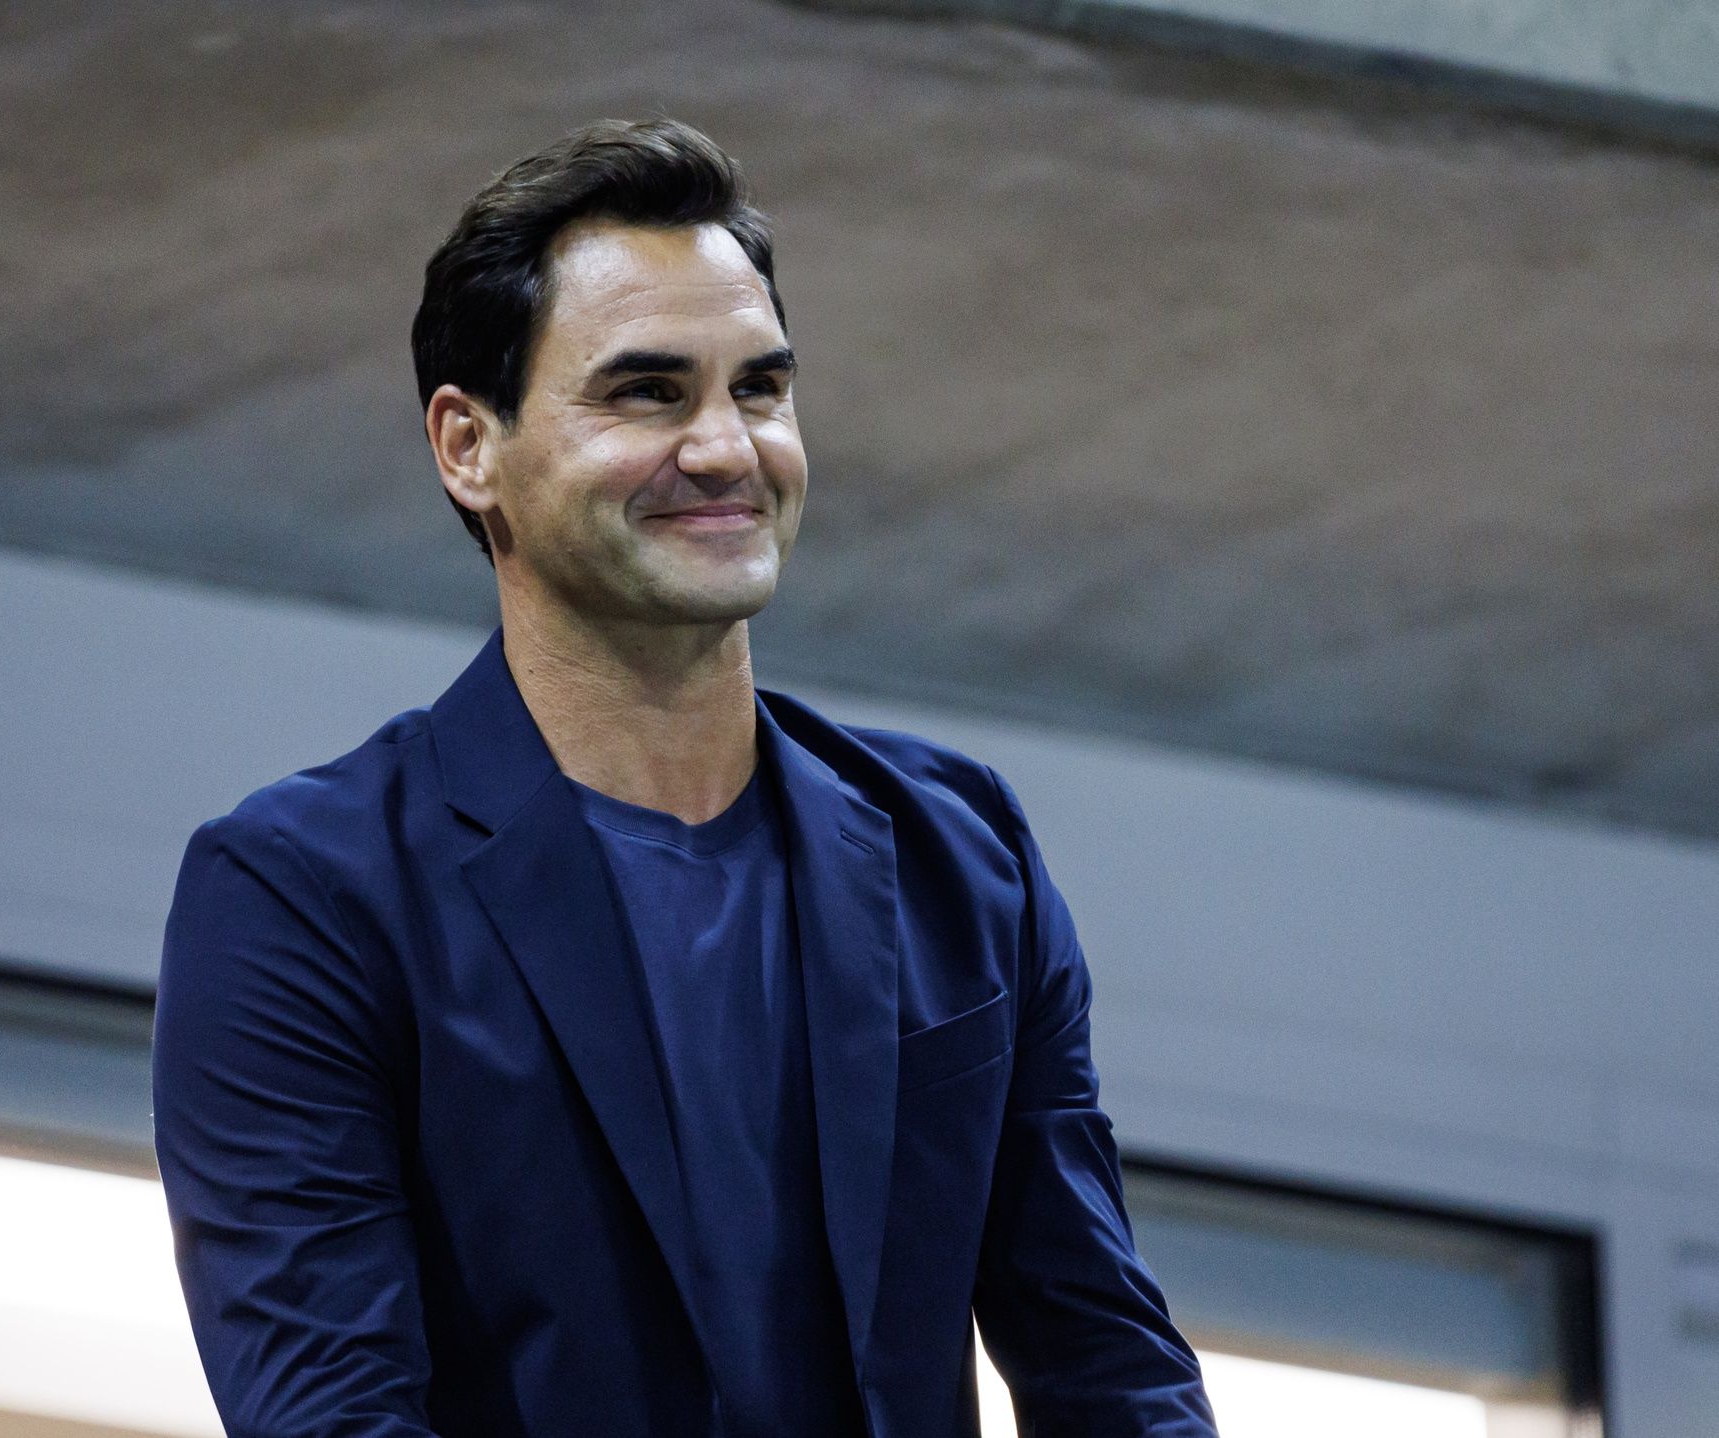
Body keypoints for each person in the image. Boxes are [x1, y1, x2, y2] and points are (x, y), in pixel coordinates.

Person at [151, 116, 1218, 1438]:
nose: (725, 449)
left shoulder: (962, 855)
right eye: (646, 392)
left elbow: (1107, 1367)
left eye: (757, 389)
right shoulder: (306, 894)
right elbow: (332, 1413)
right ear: (466, 445)